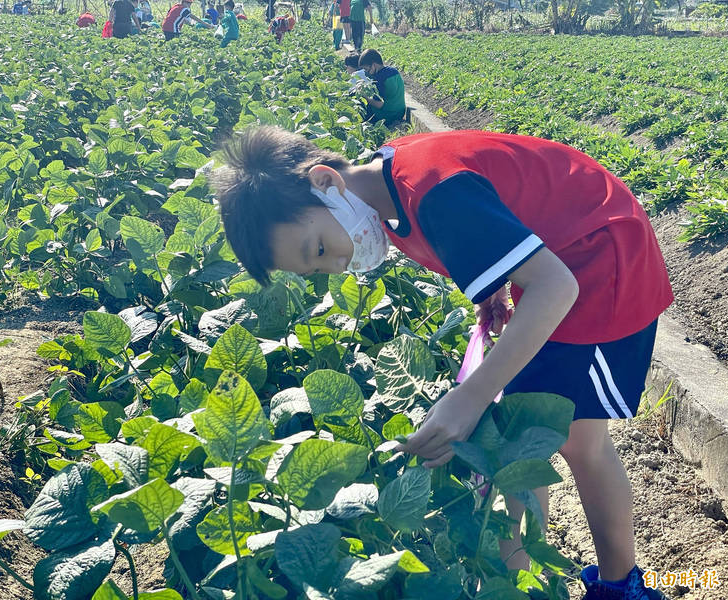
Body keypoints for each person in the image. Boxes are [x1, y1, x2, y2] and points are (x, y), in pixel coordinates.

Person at [212, 125, 674, 600]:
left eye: (321, 249)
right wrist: (497, 283)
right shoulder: (384, 187)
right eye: (316, 269)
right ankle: (518, 580)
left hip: (602, 263)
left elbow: (556, 287)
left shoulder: (430, 194)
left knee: (574, 441)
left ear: (326, 181)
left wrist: (470, 396)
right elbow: (502, 213)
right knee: (520, 436)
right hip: (566, 254)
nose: (337, 266)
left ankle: (619, 587)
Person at [358, 49, 405, 124]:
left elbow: (380, 104)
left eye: (367, 69)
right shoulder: (393, 71)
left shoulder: (379, 78)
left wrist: (365, 97)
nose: (367, 72)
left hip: (388, 115)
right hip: (400, 112)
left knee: (362, 106)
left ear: (374, 65)